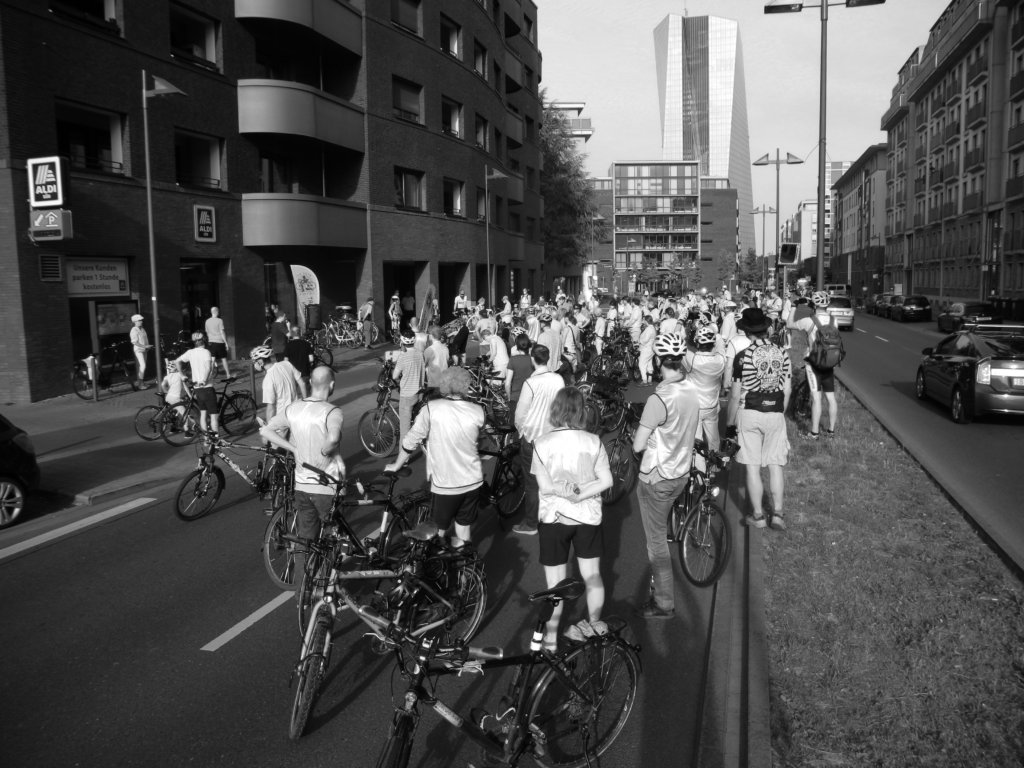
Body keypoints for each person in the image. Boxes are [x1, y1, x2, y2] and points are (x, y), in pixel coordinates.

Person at [531, 387, 613, 650]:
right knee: (592, 575)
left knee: (555, 584)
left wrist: (563, 491)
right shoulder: (593, 441)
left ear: (555, 410)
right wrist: (580, 495)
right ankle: (594, 624)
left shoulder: (541, 443)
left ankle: (552, 639)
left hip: (554, 517)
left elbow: (544, 487)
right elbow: (607, 480)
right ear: (581, 411)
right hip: (587, 516)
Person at [631, 333, 701, 619]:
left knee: (656, 543)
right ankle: (661, 594)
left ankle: (664, 602)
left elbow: (637, 445)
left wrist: (647, 441)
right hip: (681, 472)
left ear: (659, 361)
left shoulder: (658, 399)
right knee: (663, 534)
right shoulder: (692, 390)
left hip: (657, 477)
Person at [385, 367, 484, 547]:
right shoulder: (478, 411)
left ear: (444, 385)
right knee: (463, 529)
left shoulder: (432, 409)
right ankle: (464, 568)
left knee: (437, 532)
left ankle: (438, 567)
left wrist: (397, 464)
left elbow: (411, 439)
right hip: (472, 481)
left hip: (446, 483)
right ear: (466, 385)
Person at [259, 366, 344, 544]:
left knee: (304, 540)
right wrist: (324, 450)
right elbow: (334, 438)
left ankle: (303, 569)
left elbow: (266, 431)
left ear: (311, 383)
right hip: (325, 486)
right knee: (332, 538)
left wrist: (294, 449)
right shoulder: (332, 411)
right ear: (332, 385)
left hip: (302, 486)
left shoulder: (293, 408)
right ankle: (327, 567)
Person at [726, 308, 791, 530]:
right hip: (775, 411)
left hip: (750, 411)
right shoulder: (782, 352)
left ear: (746, 331)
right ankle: (779, 514)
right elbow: (787, 389)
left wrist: (730, 424)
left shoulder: (741, 357)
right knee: (775, 464)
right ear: (766, 328)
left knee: (752, 467)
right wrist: (780, 412)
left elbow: (734, 395)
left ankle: (758, 515)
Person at [512, 344, 566, 535]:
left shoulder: (530, 383)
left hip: (533, 437)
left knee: (532, 483)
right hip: (553, 435)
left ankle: (531, 524)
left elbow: (520, 415)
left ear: (532, 360)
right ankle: (554, 514)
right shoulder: (558, 379)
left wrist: (522, 432)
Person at [786, 290, 838, 439]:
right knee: (830, 397)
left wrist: (795, 306)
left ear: (814, 304)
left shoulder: (810, 320)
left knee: (816, 398)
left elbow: (789, 323)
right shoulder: (834, 321)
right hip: (830, 362)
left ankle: (814, 433)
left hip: (813, 363)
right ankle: (831, 431)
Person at [684, 324, 727, 451]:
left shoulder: (693, 360)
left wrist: (681, 322)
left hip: (695, 407)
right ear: (712, 344)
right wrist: (713, 330)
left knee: (697, 442)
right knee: (714, 439)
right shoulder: (720, 360)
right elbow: (721, 346)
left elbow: (677, 343)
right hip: (712, 405)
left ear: (697, 344)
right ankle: (714, 467)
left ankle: (699, 467)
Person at [175, 332, 219, 434]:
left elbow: (177, 361)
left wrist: (181, 375)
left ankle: (206, 438)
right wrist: (204, 380)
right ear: (204, 340)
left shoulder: (190, 352)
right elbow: (208, 368)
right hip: (207, 387)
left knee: (203, 414)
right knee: (213, 416)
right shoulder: (206, 352)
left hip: (197, 389)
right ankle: (216, 439)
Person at [392, 331, 425, 442]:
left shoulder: (403, 356)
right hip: (419, 392)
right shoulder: (420, 353)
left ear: (402, 341)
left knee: (404, 430)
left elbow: (395, 376)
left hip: (407, 395)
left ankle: (404, 458)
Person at [260, 344, 305, 421]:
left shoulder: (268, 379)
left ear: (260, 362)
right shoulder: (286, 364)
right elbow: (302, 383)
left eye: (254, 362)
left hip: (283, 417)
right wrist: (305, 401)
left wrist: (269, 426)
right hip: (296, 411)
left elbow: (271, 407)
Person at [505, 333, 534, 410]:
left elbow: (507, 383)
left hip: (516, 397)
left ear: (517, 345)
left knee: (514, 421)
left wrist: (509, 397)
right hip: (530, 396)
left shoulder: (513, 360)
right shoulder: (533, 360)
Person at [204, 307, 231, 379]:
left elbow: (207, 332)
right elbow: (222, 332)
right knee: (223, 359)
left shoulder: (207, 321)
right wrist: (226, 342)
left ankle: (209, 375)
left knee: (212, 360)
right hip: (219, 342)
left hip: (211, 342)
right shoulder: (220, 320)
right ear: (217, 312)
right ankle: (228, 375)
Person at [129, 314, 153, 388]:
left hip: (144, 350)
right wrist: (145, 346)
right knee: (143, 366)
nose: (141, 321)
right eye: (139, 320)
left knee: (142, 366)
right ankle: (140, 384)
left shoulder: (142, 329)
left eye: (141, 320)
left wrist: (147, 346)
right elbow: (134, 342)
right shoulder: (134, 330)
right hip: (139, 350)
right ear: (135, 321)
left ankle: (141, 382)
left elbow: (145, 340)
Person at [423, 325, 450, 389]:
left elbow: (423, 365)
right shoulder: (446, 348)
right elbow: (447, 361)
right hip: (444, 381)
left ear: (431, 336)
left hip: (433, 382)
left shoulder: (429, 350)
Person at [637, 314, 656, 386]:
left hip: (646, 348)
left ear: (646, 321)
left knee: (641, 364)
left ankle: (644, 380)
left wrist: (639, 341)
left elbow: (645, 340)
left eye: (643, 320)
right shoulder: (652, 328)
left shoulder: (649, 329)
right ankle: (650, 380)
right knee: (649, 363)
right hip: (651, 348)